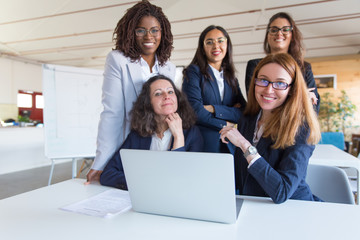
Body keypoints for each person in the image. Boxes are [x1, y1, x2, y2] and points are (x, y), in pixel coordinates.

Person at [86, 1, 176, 183]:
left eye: (155, 30)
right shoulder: (118, 60)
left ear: (162, 33)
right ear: (131, 33)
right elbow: (112, 113)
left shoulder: (169, 67)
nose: (148, 36)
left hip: (162, 144)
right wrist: (101, 163)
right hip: (132, 144)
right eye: (140, 30)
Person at [220, 53, 322, 204]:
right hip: (254, 206)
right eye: (263, 80)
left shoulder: (301, 128)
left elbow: (282, 191)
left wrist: (244, 145)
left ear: (292, 89)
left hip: (294, 209)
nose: (268, 90)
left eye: (280, 83)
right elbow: (242, 176)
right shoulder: (248, 119)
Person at [100, 75, 203, 189]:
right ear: (148, 102)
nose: (166, 96)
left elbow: (183, 179)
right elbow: (107, 175)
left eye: (170, 92)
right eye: (158, 93)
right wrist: (145, 182)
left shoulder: (193, 133)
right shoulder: (137, 136)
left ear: (177, 98)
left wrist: (178, 137)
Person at [182, 25, 246, 153]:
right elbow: (194, 111)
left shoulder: (231, 77)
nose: (216, 46)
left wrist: (213, 109)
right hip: (204, 144)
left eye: (220, 41)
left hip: (230, 145)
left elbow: (244, 111)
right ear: (203, 48)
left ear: (227, 44)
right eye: (209, 42)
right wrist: (228, 125)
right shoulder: (194, 72)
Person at [245, 12, 320, 113]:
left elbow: (314, 107)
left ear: (292, 35)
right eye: (274, 30)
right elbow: (255, 103)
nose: (279, 33)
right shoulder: (255, 65)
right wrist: (299, 96)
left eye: (285, 29)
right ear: (268, 35)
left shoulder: (304, 67)